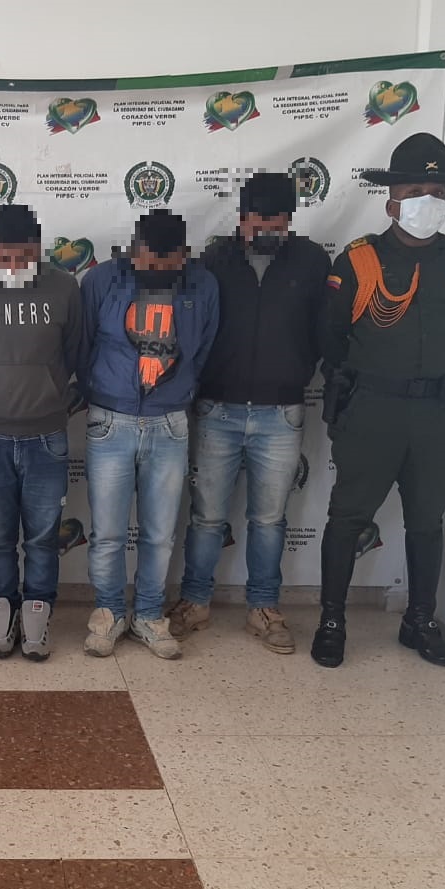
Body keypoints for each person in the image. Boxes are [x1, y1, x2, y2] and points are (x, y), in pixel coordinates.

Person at [313, 132, 445, 669]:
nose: (427, 202)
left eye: (438, 192)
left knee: (428, 520)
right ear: (391, 202)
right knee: (348, 517)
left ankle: (420, 619)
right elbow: (331, 338)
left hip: (440, 413)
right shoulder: (359, 260)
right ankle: (332, 620)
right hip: (374, 409)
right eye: (415, 192)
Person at [168, 174, 329, 654]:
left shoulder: (312, 261)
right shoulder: (214, 260)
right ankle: (195, 602)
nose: (265, 228)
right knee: (206, 518)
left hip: (282, 413)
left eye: (275, 219)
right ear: (240, 219)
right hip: (218, 409)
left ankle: (264, 608)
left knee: (269, 519)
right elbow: (193, 328)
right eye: (256, 219)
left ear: (289, 219)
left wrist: (298, 368)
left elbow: (323, 330)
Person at [78, 209, 219, 659]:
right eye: (148, 260)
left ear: (184, 255)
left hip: (169, 422)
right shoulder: (102, 280)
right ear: (133, 249)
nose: (156, 268)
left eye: (167, 262)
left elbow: (204, 350)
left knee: (159, 533)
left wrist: (178, 392)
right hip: (111, 421)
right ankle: (108, 613)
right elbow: (82, 344)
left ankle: (149, 616)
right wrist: (102, 392)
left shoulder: (202, 285)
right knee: (107, 533)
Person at [0, 205, 82, 660]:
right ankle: (2, 622)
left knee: (43, 540)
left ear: (39, 249)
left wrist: (50, 394)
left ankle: (36, 627)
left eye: (24, 256)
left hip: (46, 435)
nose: (14, 266)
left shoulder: (64, 288)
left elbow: (75, 353)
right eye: (4, 257)